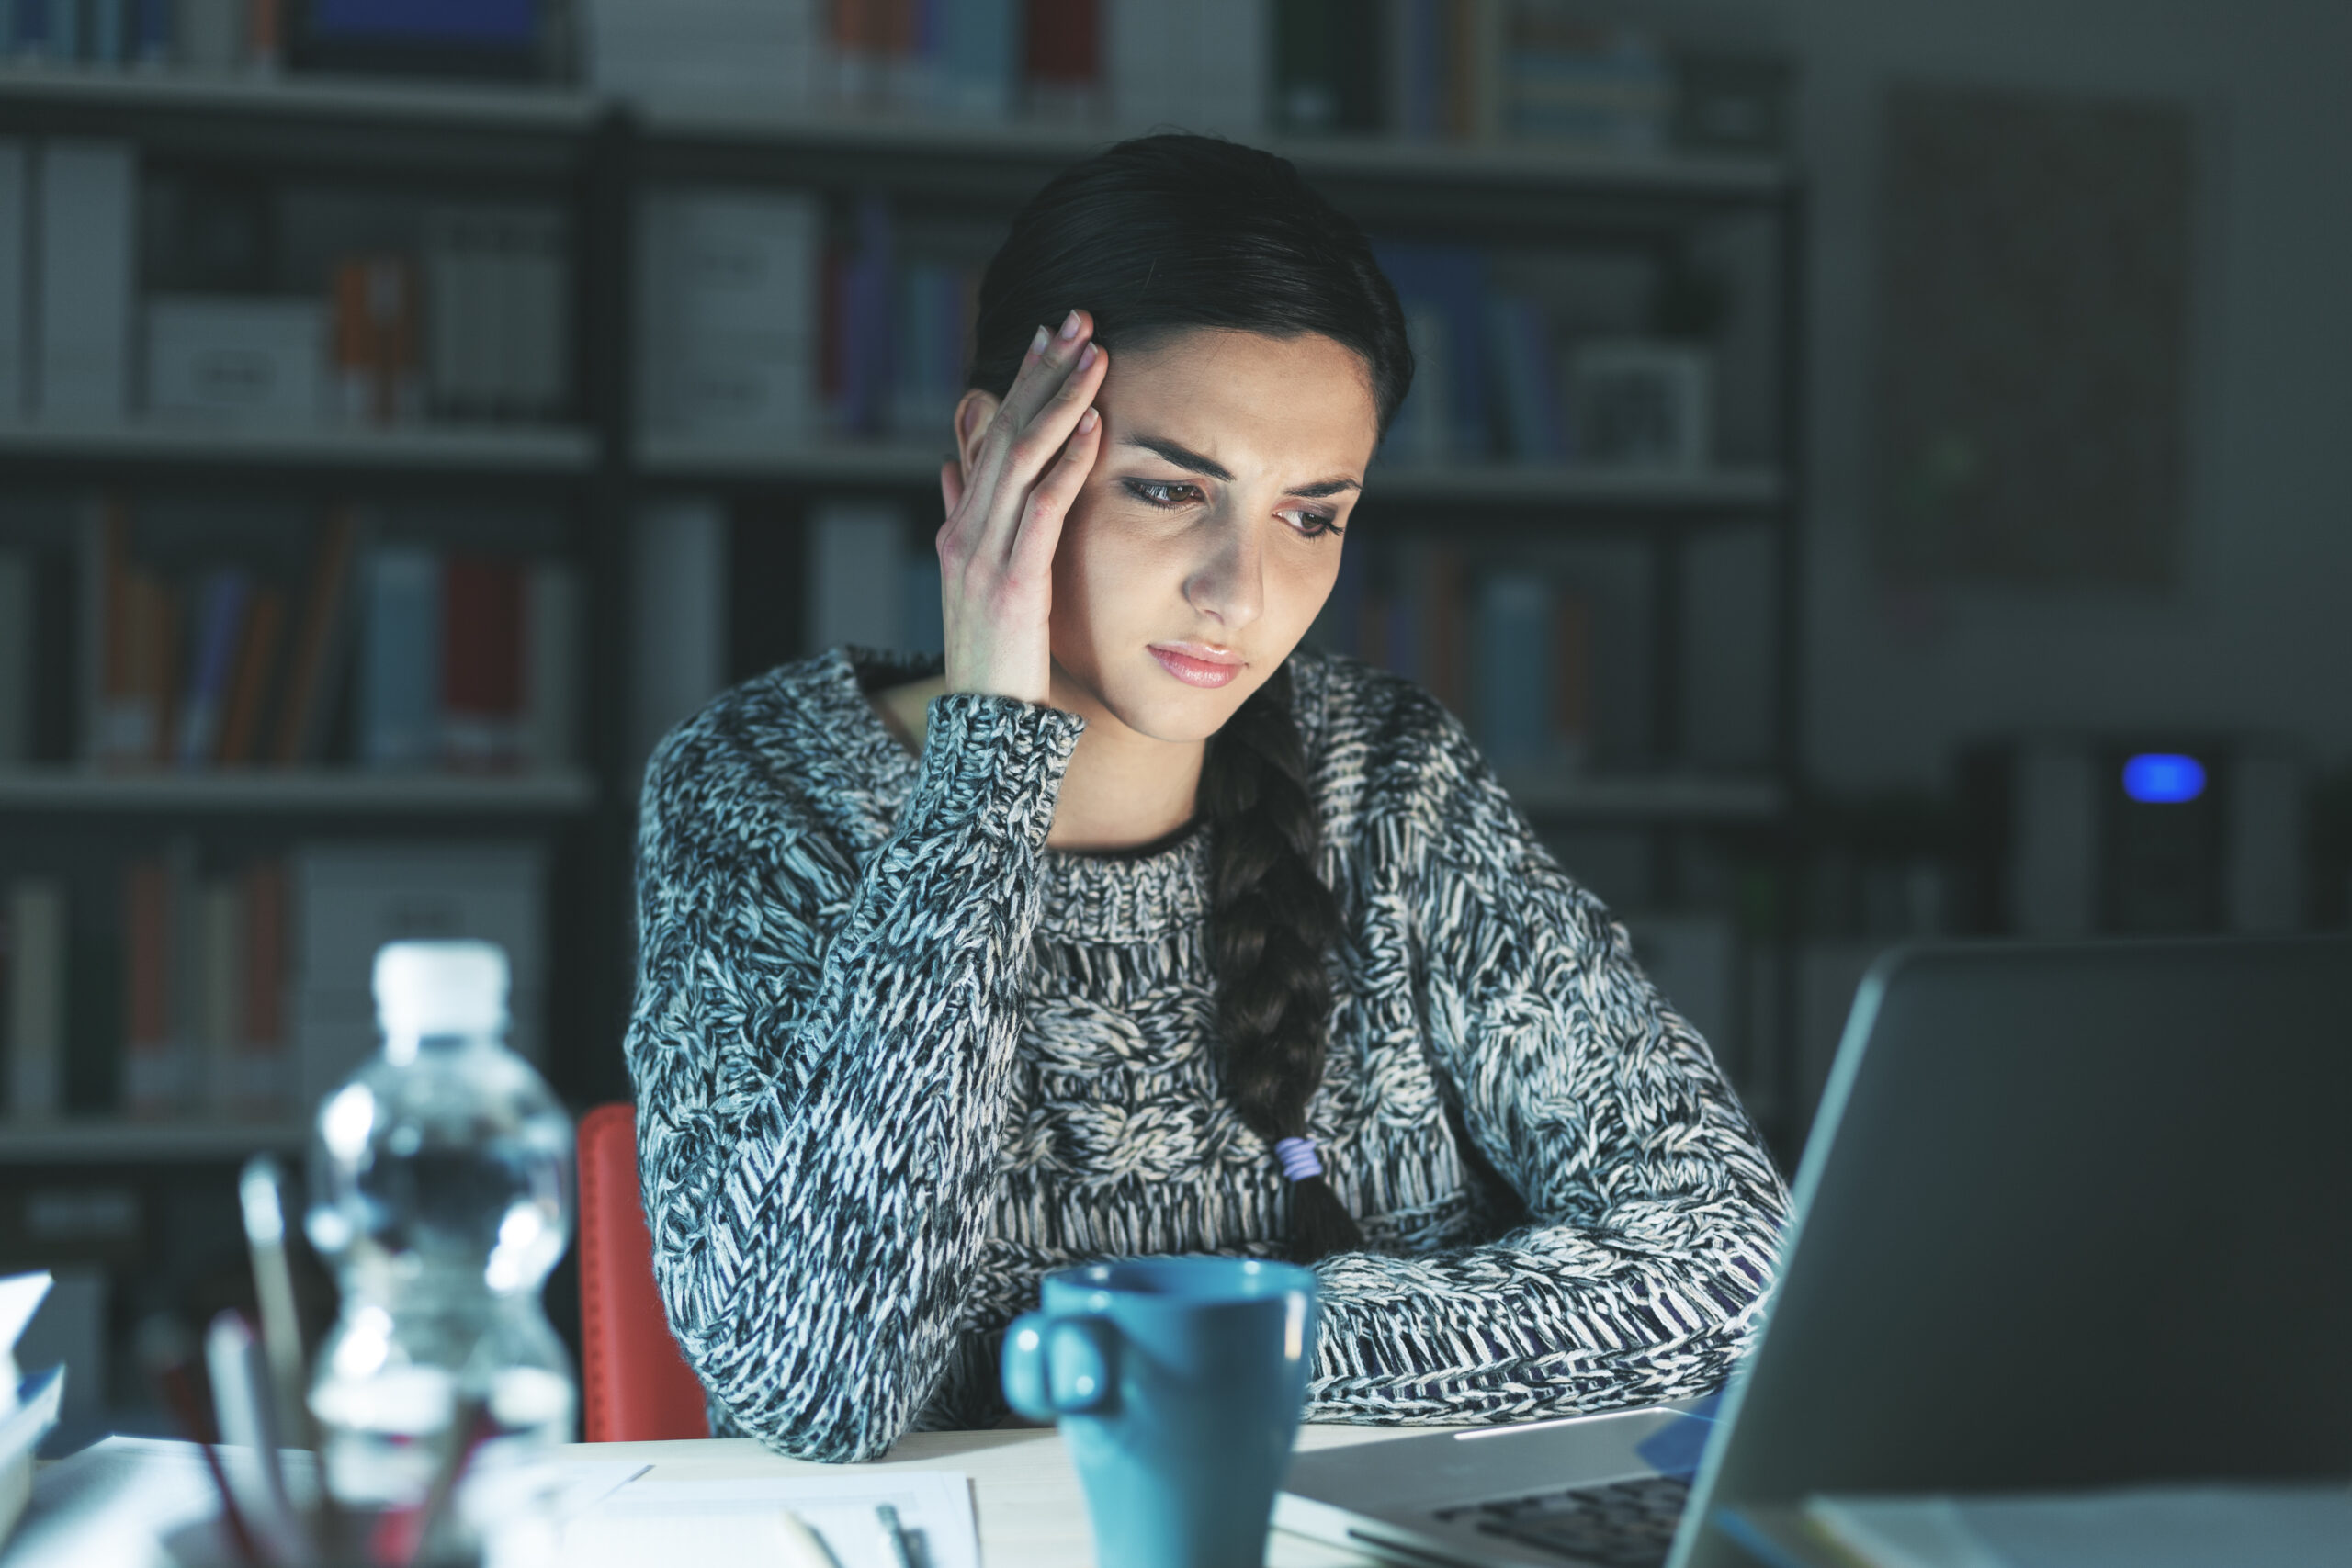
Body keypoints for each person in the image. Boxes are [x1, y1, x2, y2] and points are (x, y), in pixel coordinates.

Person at [626, 134, 1790, 1464]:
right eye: (1171, 489)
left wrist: (1129, 1347)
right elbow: (815, 1379)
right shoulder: (760, 790)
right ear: (995, 451)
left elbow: (1731, 1263)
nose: (1240, 592)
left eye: (1312, 515)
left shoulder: (1390, 782)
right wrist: (990, 753)